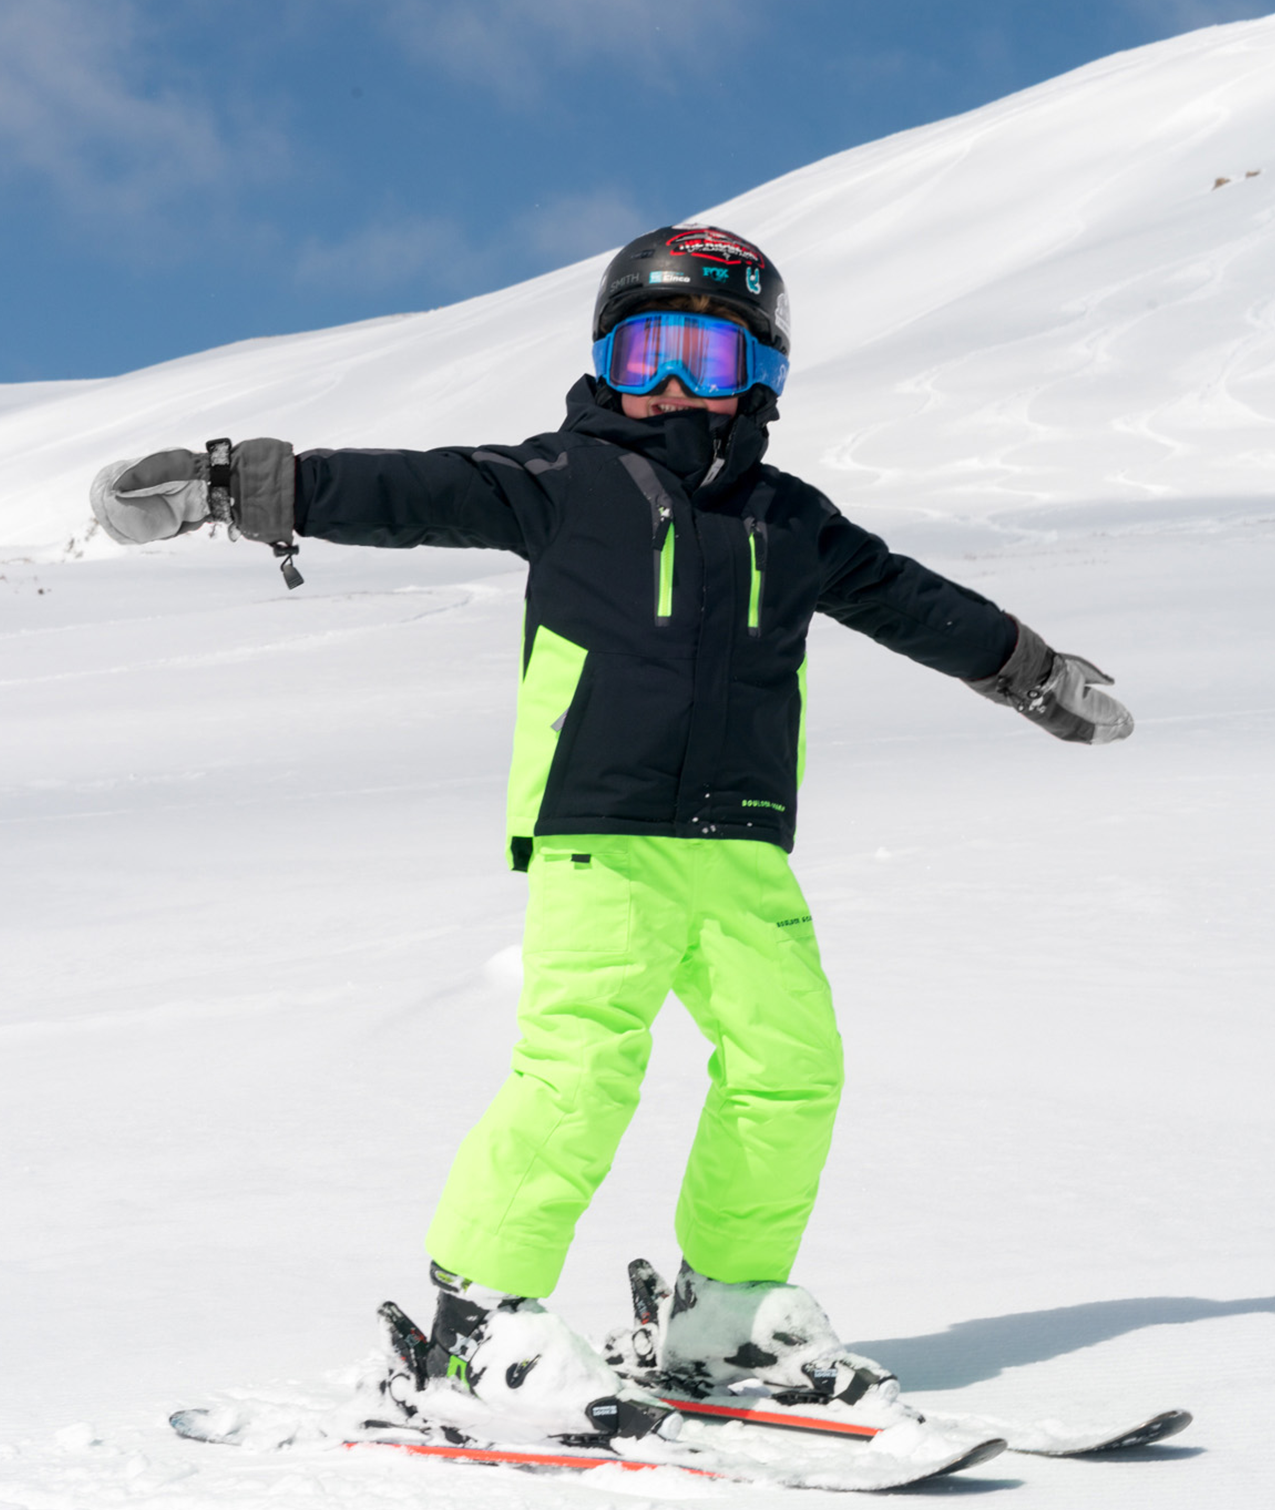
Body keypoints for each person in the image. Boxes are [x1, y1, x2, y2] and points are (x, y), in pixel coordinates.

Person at [90, 224, 1132, 1445]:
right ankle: (467, 1334)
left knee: (792, 1071)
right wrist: (233, 481)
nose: (673, 386)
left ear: (763, 376)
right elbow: (400, 487)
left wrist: (1033, 671)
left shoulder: (792, 522)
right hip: (602, 831)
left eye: (701, 353)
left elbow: (912, 602)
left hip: (744, 845)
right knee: (581, 1071)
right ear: (605, 362)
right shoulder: (562, 482)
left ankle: (722, 1322)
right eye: (645, 353)